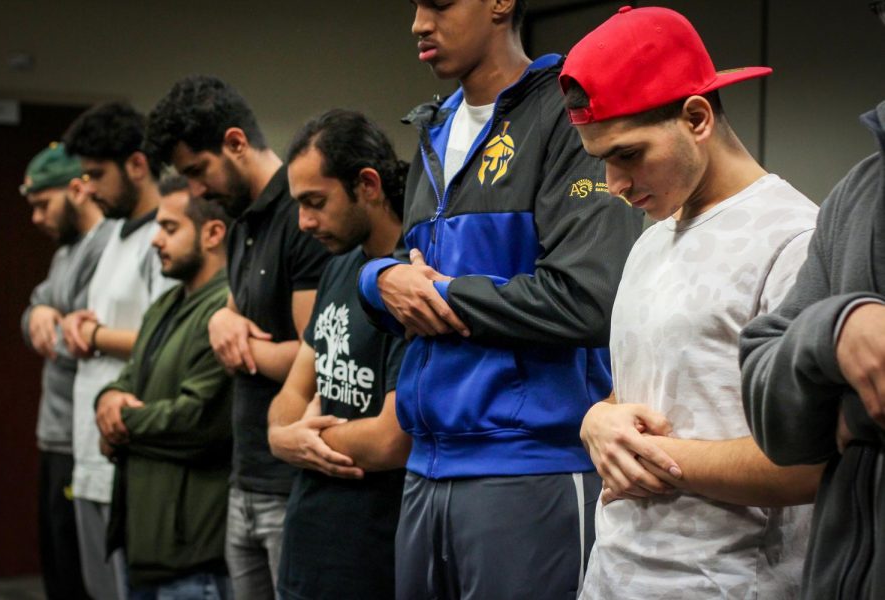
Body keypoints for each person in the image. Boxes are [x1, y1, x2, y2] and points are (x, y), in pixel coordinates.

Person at [357, 1, 643, 597]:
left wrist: (442, 296)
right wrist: (378, 280)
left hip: (527, 466)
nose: (418, 23)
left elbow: (587, 299)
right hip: (425, 465)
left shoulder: (566, 115)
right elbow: (403, 272)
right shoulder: (433, 128)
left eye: (438, 3)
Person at [560, 6, 825, 599]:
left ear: (697, 117)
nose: (614, 184)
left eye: (628, 154)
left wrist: (653, 455)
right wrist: (598, 419)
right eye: (600, 160)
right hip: (612, 577)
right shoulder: (650, 240)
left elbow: (807, 463)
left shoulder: (796, 241)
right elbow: (651, 395)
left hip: (729, 585)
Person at [145, 75, 330, 599]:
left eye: (198, 172)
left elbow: (314, 353)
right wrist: (218, 321)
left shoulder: (303, 217)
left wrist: (236, 342)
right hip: (244, 476)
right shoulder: (241, 220)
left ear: (235, 142)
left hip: (289, 481)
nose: (196, 191)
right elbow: (233, 314)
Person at [740, 8, 885, 596]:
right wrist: (835, 329)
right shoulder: (856, 194)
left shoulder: (786, 226)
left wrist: (848, 417)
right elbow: (780, 426)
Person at [266, 110, 410, 600]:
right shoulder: (339, 267)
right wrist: (282, 437)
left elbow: (392, 440)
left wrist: (300, 440)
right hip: (308, 543)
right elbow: (291, 394)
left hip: (373, 552)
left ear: (367, 185)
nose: (304, 222)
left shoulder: (412, 279)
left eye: (315, 203)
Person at [95, 176, 233, 599]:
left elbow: (199, 422)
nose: (155, 240)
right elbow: (126, 378)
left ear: (212, 233)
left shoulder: (225, 309)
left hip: (193, 552)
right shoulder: (167, 304)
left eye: (170, 228)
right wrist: (107, 399)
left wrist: (120, 419)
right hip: (146, 544)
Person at [61, 101, 174, 600]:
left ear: (137, 164)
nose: (88, 188)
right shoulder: (108, 233)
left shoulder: (164, 236)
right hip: (88, 445)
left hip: (130, 445)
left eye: (96, 174)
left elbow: (165, 336)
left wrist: (92, 334)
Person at [20, 142, 112, 600]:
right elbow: (36, 313)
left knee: (82, 581)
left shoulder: (107, 247)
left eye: (43, 204)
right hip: (54, 435)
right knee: (58, 574)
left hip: (83, 438)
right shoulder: (65, 254)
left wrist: (49, 320)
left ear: (78, 189)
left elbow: (78, 337)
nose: (36, 218)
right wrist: (39, 311)